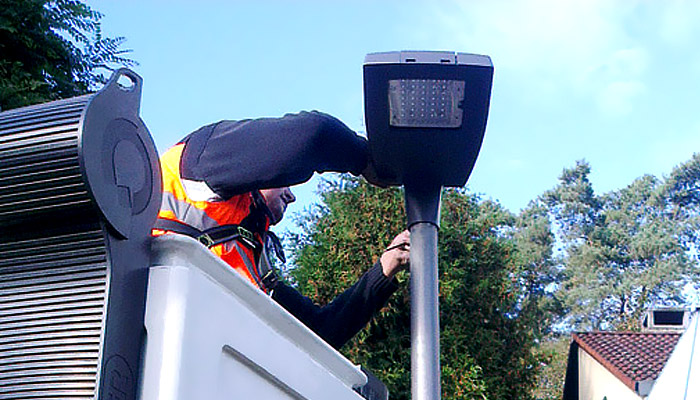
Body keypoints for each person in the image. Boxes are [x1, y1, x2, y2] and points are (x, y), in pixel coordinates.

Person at [153, 111, 410, 349]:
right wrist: (366, 160)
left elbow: (320, 333)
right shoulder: (201, 164)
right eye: (285, 183)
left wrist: (388, 264)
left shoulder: (252, 260)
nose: (291, 195)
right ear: (255, 170)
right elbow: (312, 133)